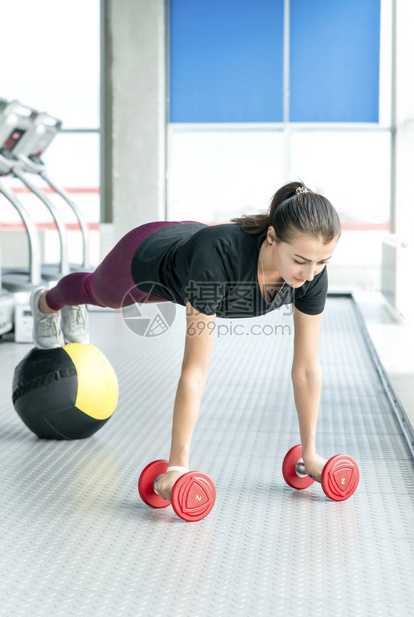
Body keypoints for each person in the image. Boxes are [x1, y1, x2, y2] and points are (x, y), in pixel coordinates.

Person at [30, 181, 341, 501]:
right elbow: (194, 370)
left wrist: (311, 453)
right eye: (301, 260)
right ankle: (47, 302)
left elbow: (306, 368)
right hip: (146, 257)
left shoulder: (311, 275)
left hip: (186, 262)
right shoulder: (220, 257)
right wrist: (177, 467)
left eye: (322, 262)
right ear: (272, 237)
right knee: (100, 294)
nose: (310, 274)